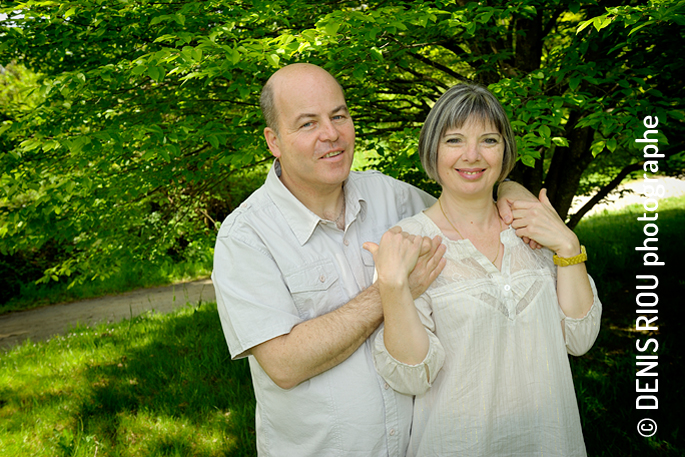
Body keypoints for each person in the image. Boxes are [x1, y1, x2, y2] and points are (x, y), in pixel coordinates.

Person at [212, 63, 536, 456]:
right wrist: (390, 290)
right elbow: (284, 365)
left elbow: (467, 198)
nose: (330, 134)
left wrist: (514, 194)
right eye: (308, 124)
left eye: (338, 116)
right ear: (274, 141)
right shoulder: (245, 237)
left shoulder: (390, 196)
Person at [366, 83, 602, 456]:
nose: (472, 155)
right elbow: (412, 374)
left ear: (505, 149)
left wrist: (568, 245)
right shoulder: (410, 242)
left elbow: (580, 337)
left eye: (489, 140)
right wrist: (393, 289)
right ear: (433, 150)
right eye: (455, 140)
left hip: (551, 442)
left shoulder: (533, 229)